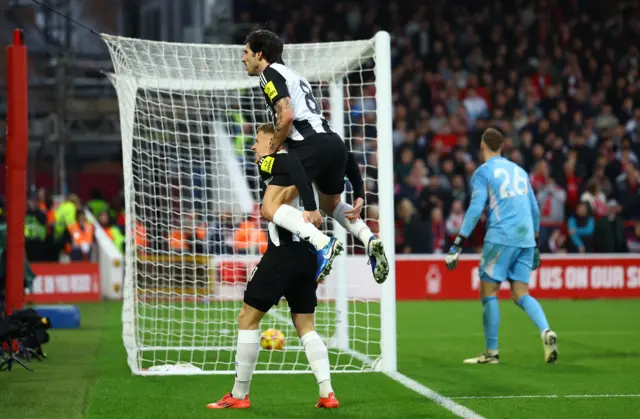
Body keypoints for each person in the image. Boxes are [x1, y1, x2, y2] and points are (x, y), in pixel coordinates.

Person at [207, 125, 339, 410]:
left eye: (257, 140)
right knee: (305, 324)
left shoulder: (283, 163)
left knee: (247, 318)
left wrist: (308, 203)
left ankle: (239, 395)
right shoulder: (293, 168)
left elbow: (289, 165)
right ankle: (327, 393)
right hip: (305, 255)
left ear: (275, 141)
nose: (253, 146)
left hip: (284, 254)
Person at [241, 29, 389, 283]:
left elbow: (286, 115)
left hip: (309, 146)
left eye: (246, 52)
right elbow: (339, 147)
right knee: (331, 205)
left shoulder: (269, 75)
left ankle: (322, 244)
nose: (243, 58)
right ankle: (369, 239)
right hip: (334, 144)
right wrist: (360, 191)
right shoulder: (297, 77)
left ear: (259, 54)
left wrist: (275, 145)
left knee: (269, 206)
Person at [444, 128, 558, 364]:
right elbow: (535, 209)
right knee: (520, 293)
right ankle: (546, 330)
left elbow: (476, 209)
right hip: (526, 238)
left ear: (483, 147)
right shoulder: (520, 171)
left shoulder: (483, 172)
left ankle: (491, 352)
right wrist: (535, 244)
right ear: (502, 147)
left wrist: (458, 242)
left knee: (488, 292)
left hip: (501, 237)